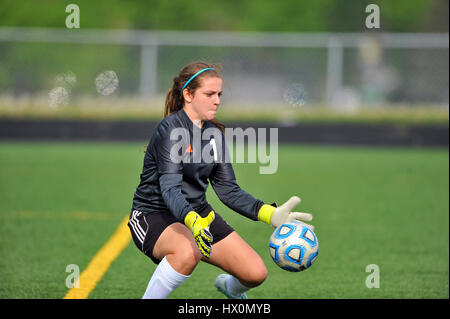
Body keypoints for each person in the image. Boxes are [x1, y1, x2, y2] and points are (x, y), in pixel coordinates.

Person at [128, 61, 314, 299]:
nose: (217, 100)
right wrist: (193, 222)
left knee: (255, 273)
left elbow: (228, 190)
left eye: (219, 94)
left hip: (197, 215)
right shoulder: (171, 129)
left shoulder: (214, 134)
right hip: (154, 214)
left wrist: (270, 214)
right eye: (209, 94)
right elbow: (170, 189)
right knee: (187, 252)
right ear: (188, 94)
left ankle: (228, 289)